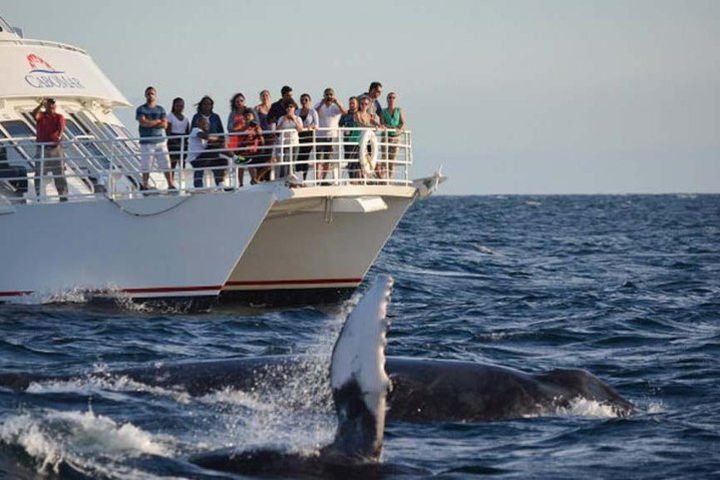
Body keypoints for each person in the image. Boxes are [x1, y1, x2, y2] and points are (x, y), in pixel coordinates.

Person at [136, 87, 175, 190]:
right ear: (145, 95)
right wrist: (157, 122)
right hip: (146, 142)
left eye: (152, 94)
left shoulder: (160, 109)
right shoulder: (141, 109)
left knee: (166, 163)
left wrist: (152, 123)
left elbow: (165, 125)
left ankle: (170, 184)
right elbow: (143, 123)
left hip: (160, 141)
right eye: (148, 94)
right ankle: (145, 184)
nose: (150, 96)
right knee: (146, 165)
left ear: (155, 95)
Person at [31, 97, 68, 199]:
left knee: (59, 172)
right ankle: (39, 195)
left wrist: (59, 137)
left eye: (53, 105)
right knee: (39, 172)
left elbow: (61, 129)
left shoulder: (59, 117)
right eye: (50, 104)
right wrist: (40, 105)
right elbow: (34, 114)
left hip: (55, 149)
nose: (52, 106)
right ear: (46, 106)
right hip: (42, 149)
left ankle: (63, 196)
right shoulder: (41, 116)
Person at [314, 87, 346, 181]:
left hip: (332, 136)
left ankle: (323, 179)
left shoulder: (336, 106)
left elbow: (345, 112)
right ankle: (317, 179)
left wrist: (337, 102)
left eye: (331, 94)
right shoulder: (319, 105)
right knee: (318, 158)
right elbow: (313, 113)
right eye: (327, 94)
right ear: (324, 96)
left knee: (328, 158)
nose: (329, 96)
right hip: (320, 135)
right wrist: (321, 103)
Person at [187, 117, 225, 188]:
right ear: (199, 124)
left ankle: (220, 183)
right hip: (195, 158)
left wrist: (219, 142)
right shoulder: (196, 130)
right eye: (205, 123)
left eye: (208, 124)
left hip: (202, 157)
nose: (207, 125)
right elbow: (204, 136)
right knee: (202, 164)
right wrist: (218, 139)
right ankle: (198, 187)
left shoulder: (204, 132)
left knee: (220, 161)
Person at [350, 96, 380, 179]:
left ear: (369, 105)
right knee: (357, 162)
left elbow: (375, 123)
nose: (364, 106)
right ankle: (358, 179)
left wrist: (379, 126)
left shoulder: (369, 115)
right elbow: (360, 124)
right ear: (359, 105)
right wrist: (371, 127)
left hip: (365, 141)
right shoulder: (357, 114)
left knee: (367, 159)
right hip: (356, 140)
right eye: (362, 104)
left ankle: (367, 177)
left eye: (366, 104)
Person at [378, 92, 406, 179]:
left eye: (393, 98)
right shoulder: (383, 111)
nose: (391, 99)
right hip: (386, 137)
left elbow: (403, 123)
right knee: (384, 158)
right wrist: (391, 127)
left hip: (395, 137)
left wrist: (398, 130)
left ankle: (390, 178)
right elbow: (382, 124)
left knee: (392, 159)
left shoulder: (399, 110)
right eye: (390, 97)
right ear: (387, 99)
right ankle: (382, 177)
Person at [236, 110, 265, 185]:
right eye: (245, 116)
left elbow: (262, 139)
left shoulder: (256, 126)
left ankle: (253, 180)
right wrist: (246, 127)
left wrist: (259, 132)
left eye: (249, 115)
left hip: (252, 150)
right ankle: (241, 183)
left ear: (253, 117)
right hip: (242, 150)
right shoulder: (241, 126)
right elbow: (237, 132)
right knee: (241, 162)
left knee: (250, 161)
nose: (247, 117)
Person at [274, 100, 302, 179]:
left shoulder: (298, 118)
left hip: (294, 143)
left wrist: (294, 120)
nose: (289, 108)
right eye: (287, 107)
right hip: (284, 143)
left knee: (293, 161)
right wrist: (284, 121)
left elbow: (300, 129)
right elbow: (277, 130)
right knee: (284, 161)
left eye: (291, 107)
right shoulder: (281, 118)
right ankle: (282, 178)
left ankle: (292, 178)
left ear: (294, 108)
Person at [166, 97, 190, 185]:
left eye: (182, 106)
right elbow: (168, 132)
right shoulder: (170, 116)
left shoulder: (186, 118)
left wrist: (185, 141)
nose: (180, 107)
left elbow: (188, 132)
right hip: (173, 142)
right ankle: (171, 184)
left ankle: (182, 184)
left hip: (183, 142)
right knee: (172, 164)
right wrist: (175, 140)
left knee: (182, 165)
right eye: (178, 105)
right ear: (174, 106)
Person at [296, 93, 319, 180]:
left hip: (308, 136)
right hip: (299, 136)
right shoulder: (297, 111)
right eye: (302, 100)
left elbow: (317, 125)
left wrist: (311, 126)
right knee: (298, 157)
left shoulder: (313, 112)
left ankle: (304, 178)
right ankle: (299, 178)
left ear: (309, 101)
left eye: (306, 100)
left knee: (305, 157)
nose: (304, 102)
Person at [339, 96, 359, 178]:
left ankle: (358, 179)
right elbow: (340, 124)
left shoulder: (360, 114)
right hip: (347, 140)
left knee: (357, 161)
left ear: (357, 104)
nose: (351, 105)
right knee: (349, 161)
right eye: (350, 103)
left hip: (357, 140)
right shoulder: (345, 115)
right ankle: (352, 179)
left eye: (353, 103)